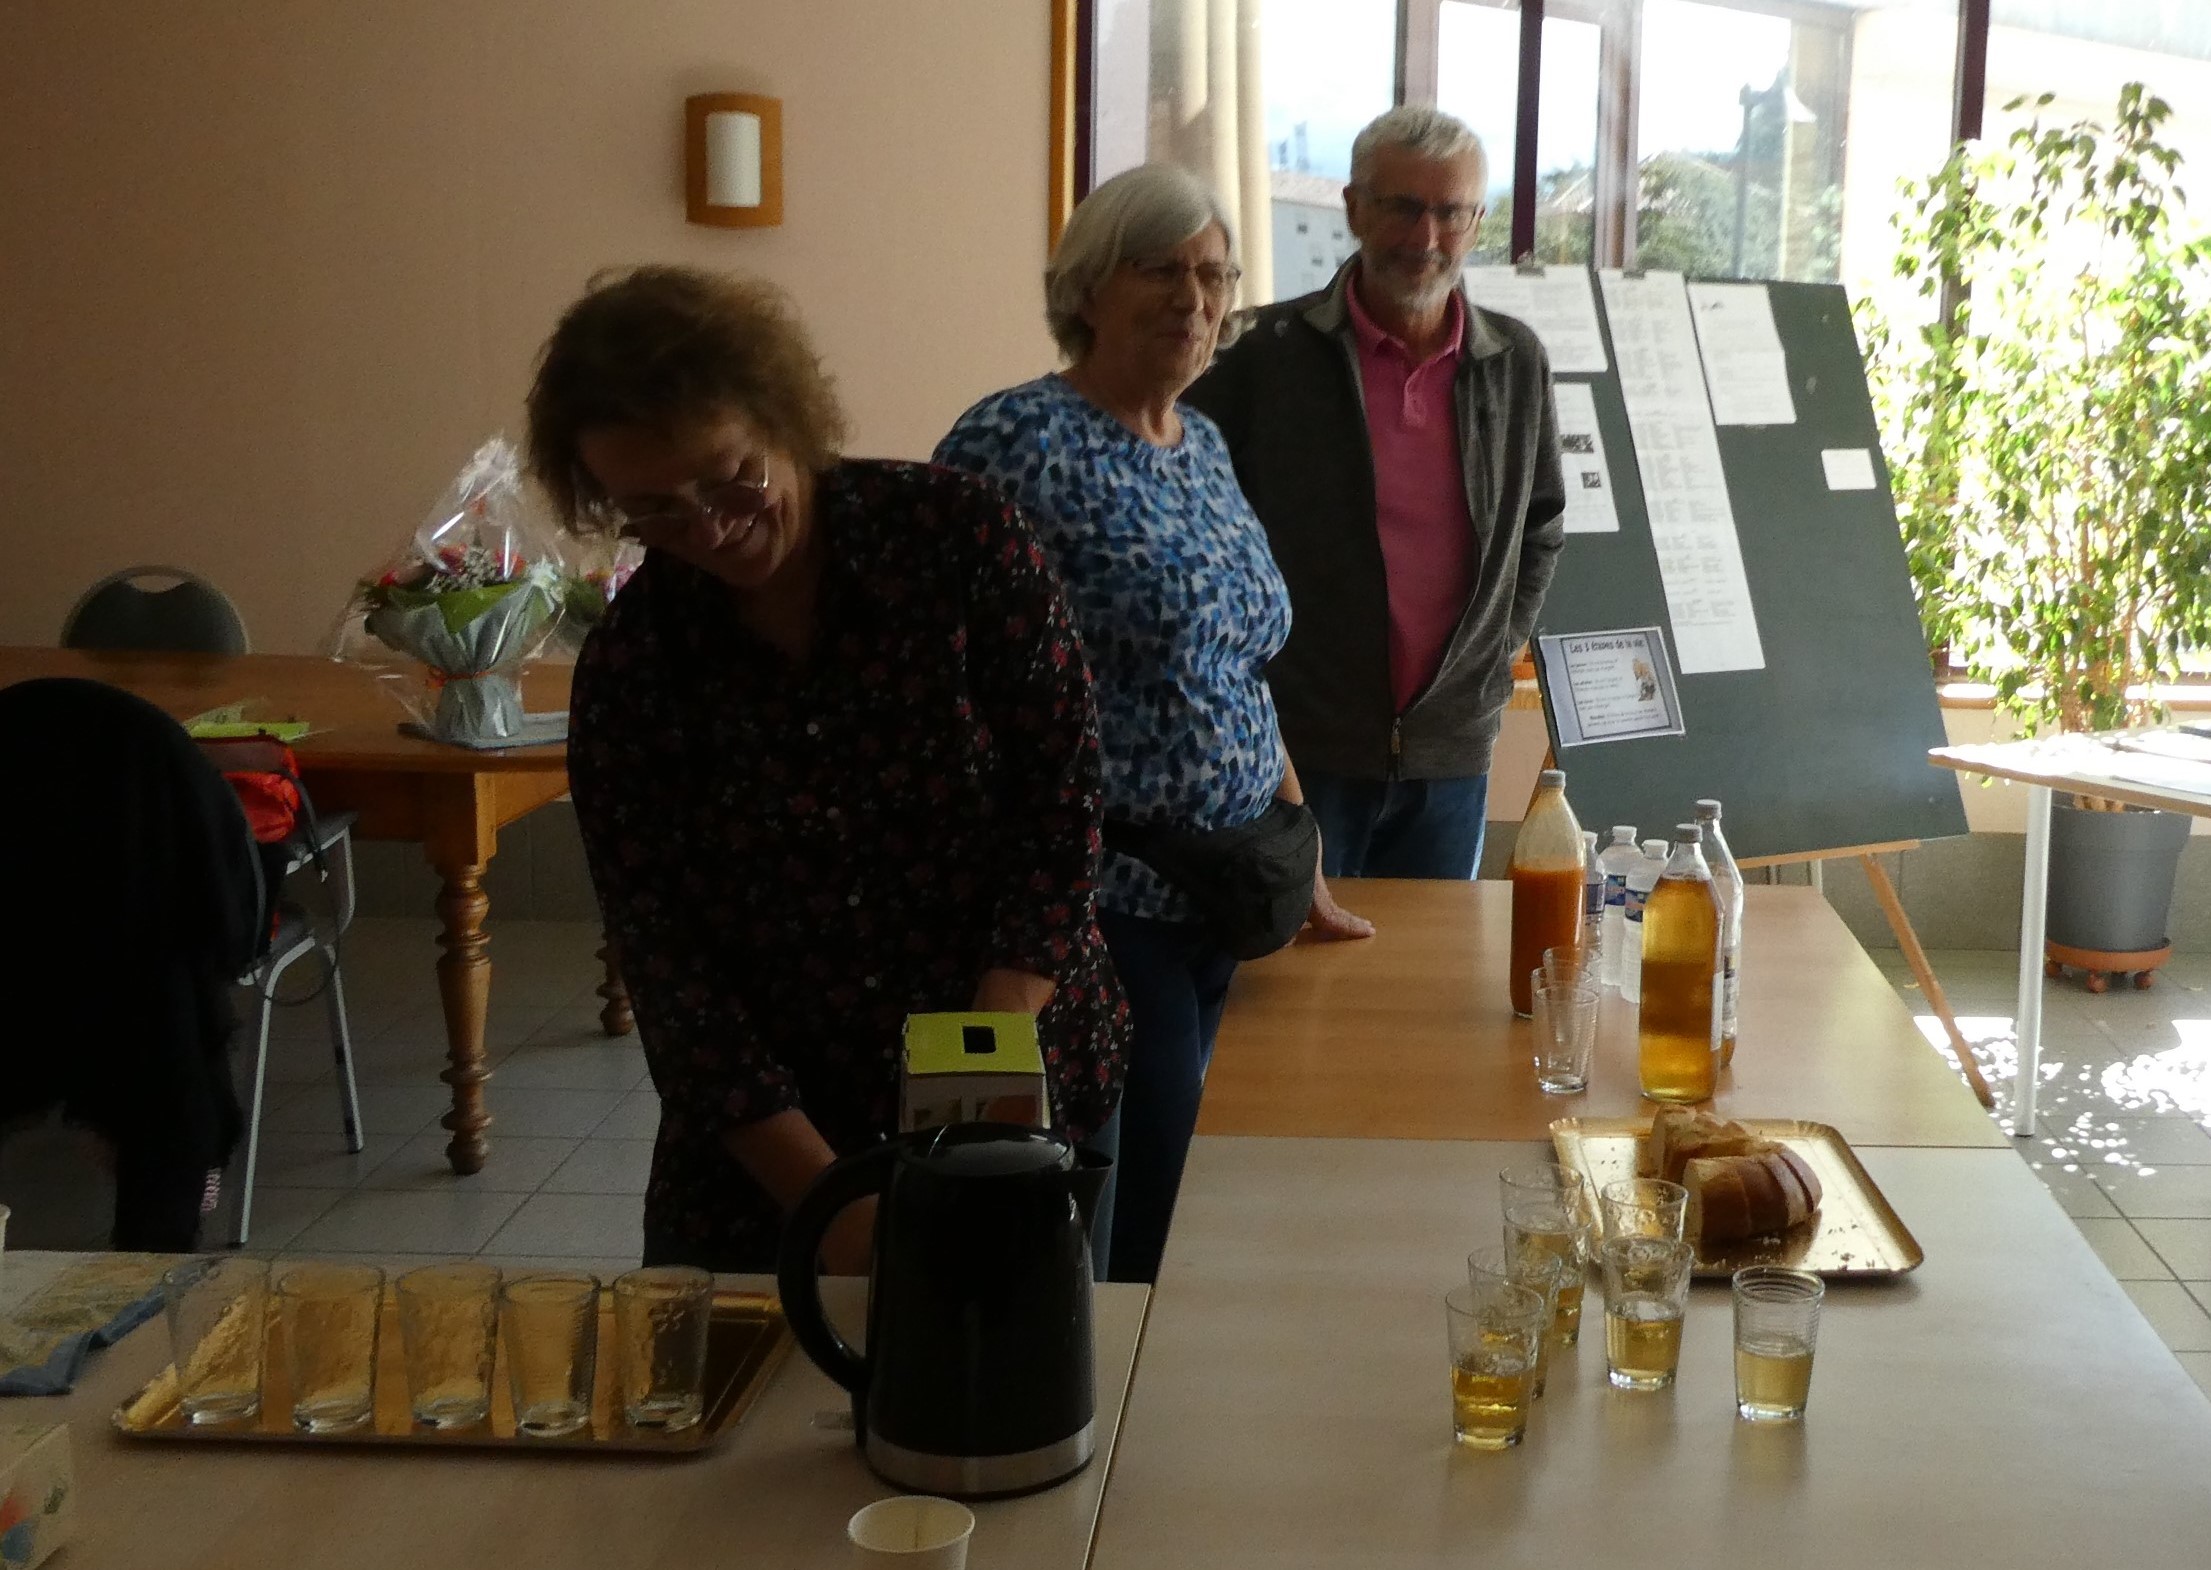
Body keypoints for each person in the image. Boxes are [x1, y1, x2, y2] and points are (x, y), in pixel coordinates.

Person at [526, 266, 1127, 1276]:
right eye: (654, 511)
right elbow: (667, 962)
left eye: (729, 479)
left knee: (1021, 1356)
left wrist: (979, 1077)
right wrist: (828, 1204)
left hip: (1018, 1066)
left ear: (783, 417)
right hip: (767, 1138)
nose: (706, 530)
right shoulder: (635, 664)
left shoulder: (957, 539)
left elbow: (1061, 803)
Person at [934, 165, 1371, 1285]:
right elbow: (942, 673)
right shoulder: (1015, 440)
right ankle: (1101, 1363)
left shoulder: (1201, 444)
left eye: (1214, 274)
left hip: (1222, 889)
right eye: (1161, 270)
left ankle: (1125, 1352)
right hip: (1101, 893)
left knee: (1169, 1174)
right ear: (1087, 287)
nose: (1195, 297)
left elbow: (1237, 665)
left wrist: (1299, 844)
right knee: (1130, 1187)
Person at [1186, 105, 1566, 882]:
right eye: (1402, 207)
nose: (1425, 237)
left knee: (1433, 956)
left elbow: (1540, 524)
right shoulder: (1261, 356)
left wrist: (1491, 653)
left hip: (1451, 754)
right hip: (1294, 749)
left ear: (1476, 222)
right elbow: (1196, 532)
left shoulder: (1513, 361)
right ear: (1353, 207)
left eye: (1450, 212)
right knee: (1293, 955)